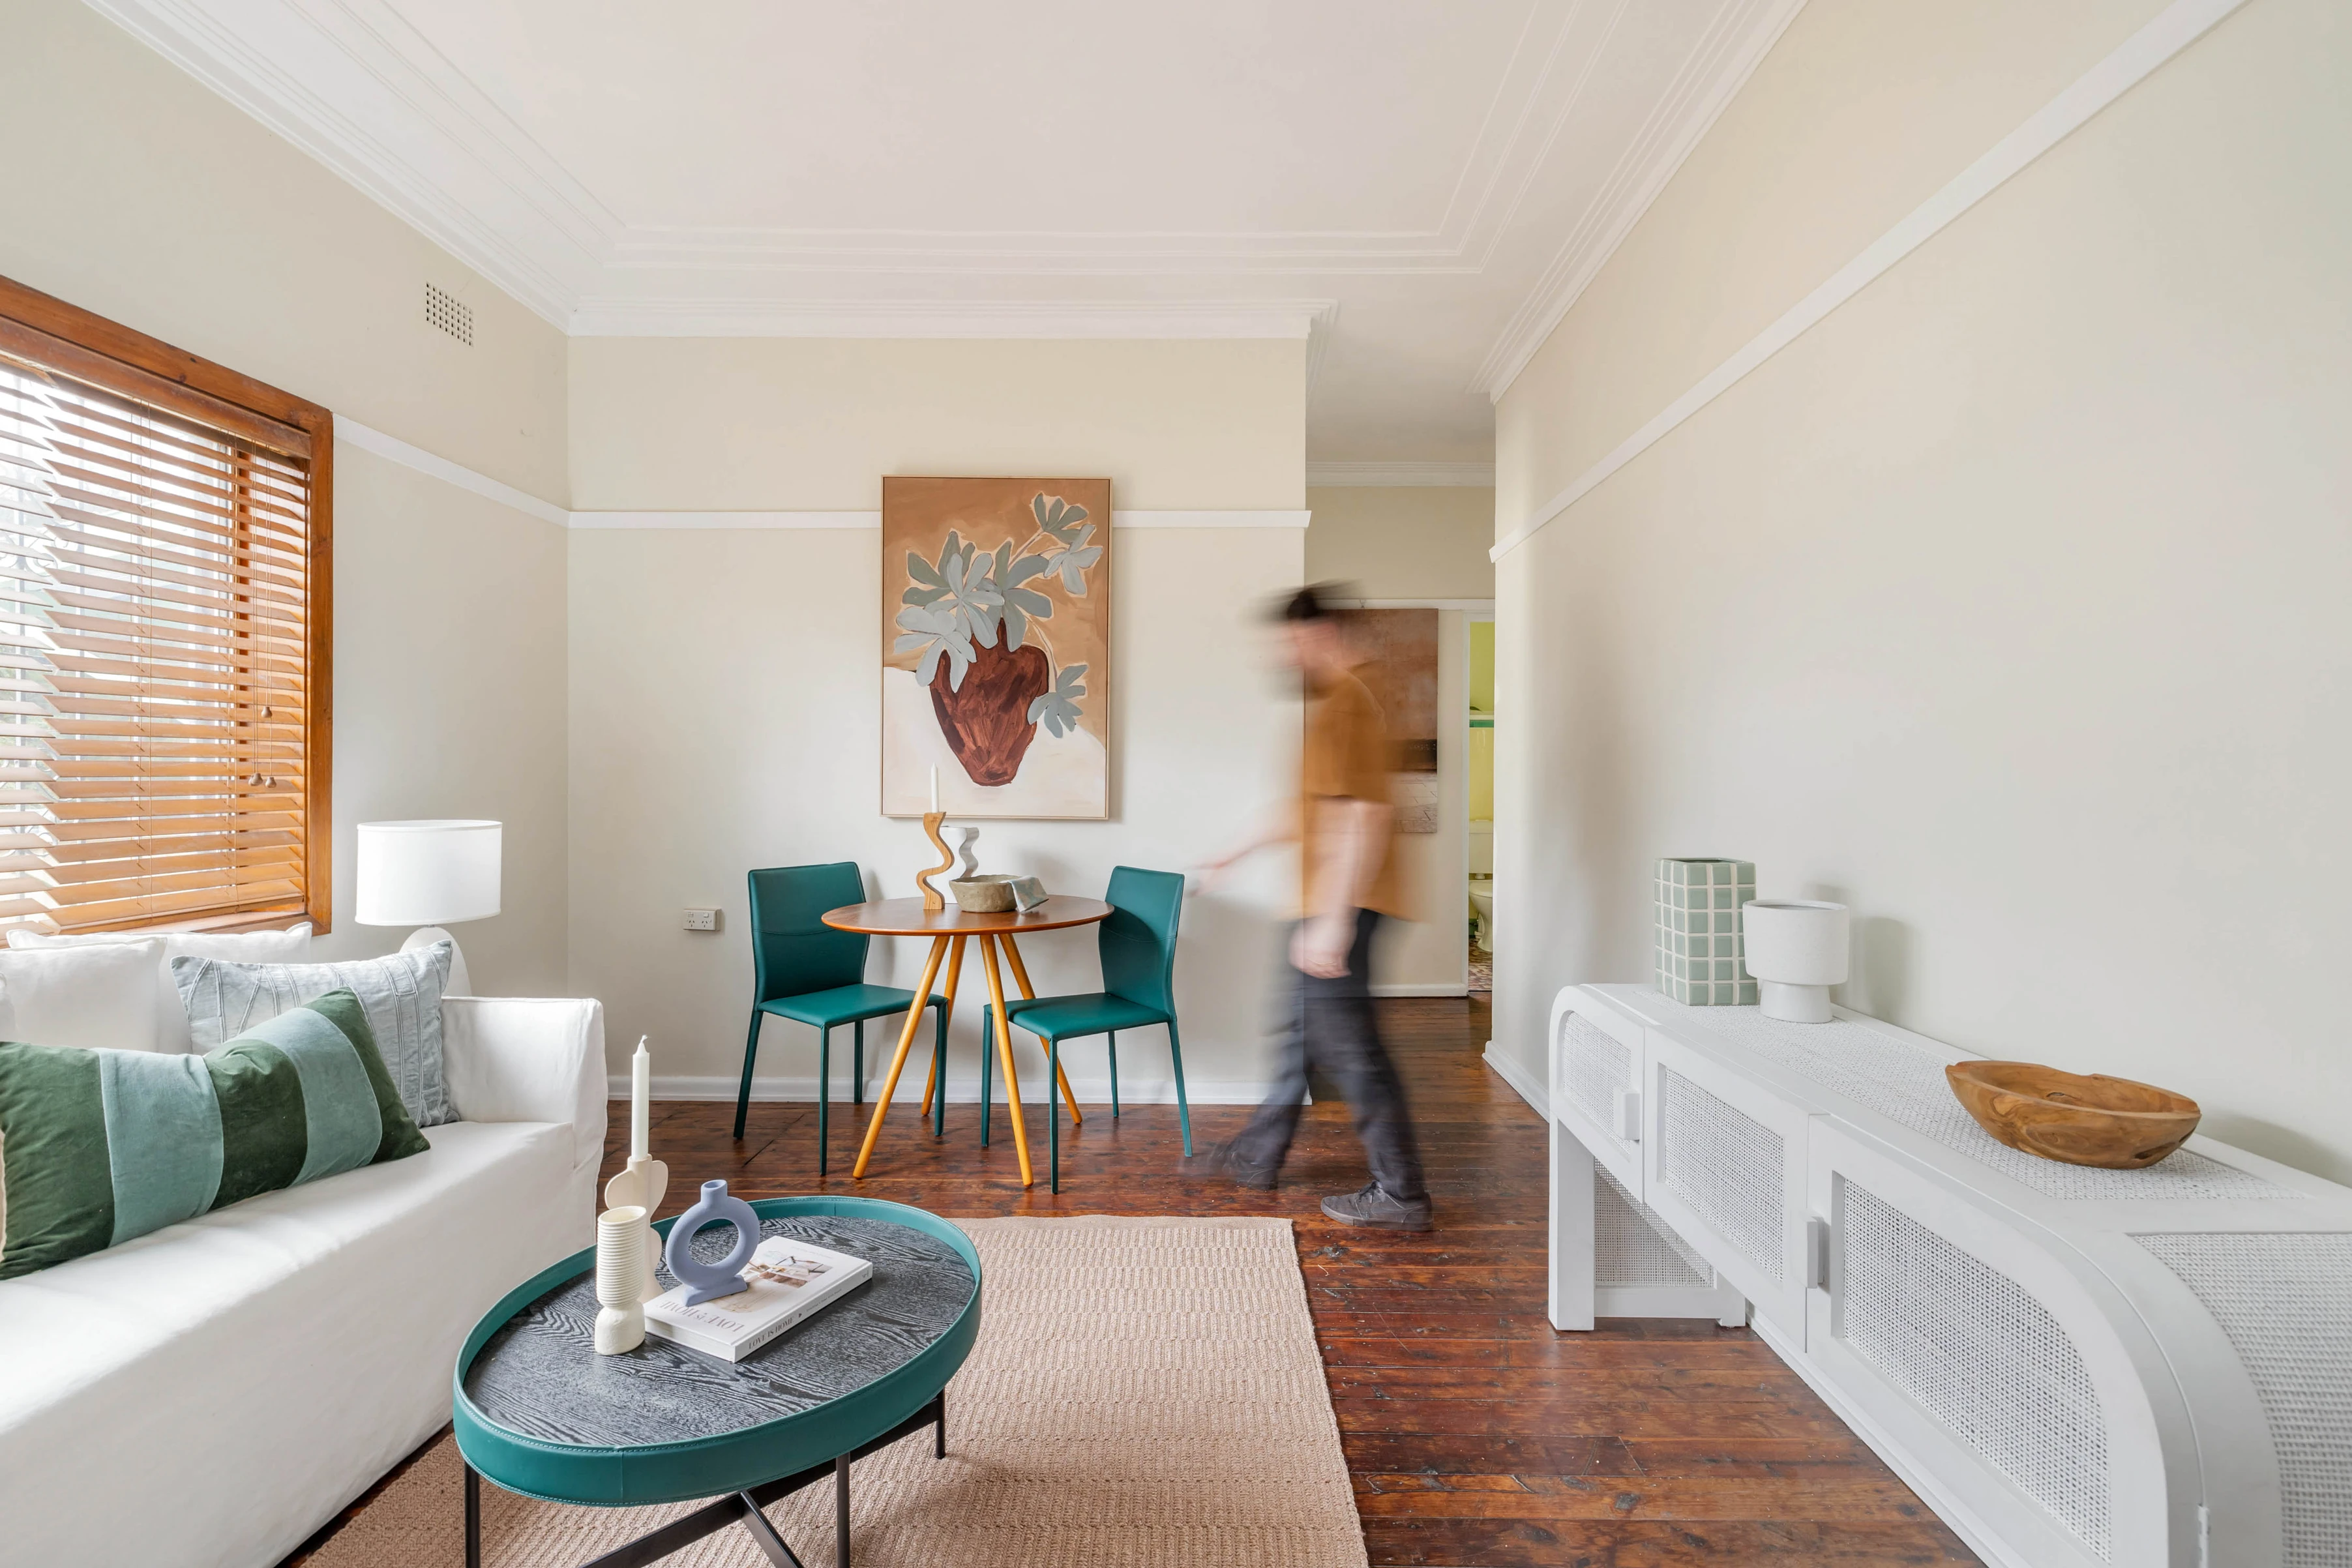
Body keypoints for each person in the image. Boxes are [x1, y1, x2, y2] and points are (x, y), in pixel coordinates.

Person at [1193, 585, 1433, 1230]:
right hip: (1326, 903)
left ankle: (1401, 1192)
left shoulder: (1349, 702)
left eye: (1290, 644)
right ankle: (1257, 1154)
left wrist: (1333, 921)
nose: (1283, 657)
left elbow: (1361, 816)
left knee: (1352, 1049)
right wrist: (1229, 855)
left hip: (1343, 904)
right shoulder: (1338, 703)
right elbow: (1303, 810)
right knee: (1297, 1034)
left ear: (1320, 635)